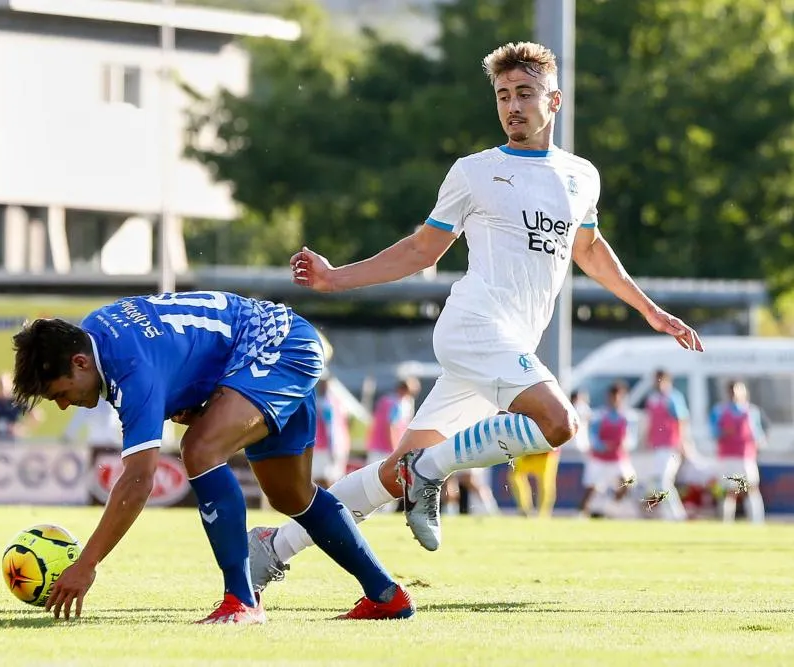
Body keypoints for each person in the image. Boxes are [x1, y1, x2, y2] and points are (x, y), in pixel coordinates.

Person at [247, 40, 702, 588]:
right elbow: (422, 250)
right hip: (473, 327)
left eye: (525, 93)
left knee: (394, 475)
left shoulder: (582, 175)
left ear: (554, 100)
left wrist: (650, 310)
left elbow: (588, 248)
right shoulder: (475, 171)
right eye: (503, 95)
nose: (513, 106)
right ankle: (432, 469)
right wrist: (335, 277)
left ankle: (275, 545)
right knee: (559, 423)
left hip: (507, 347)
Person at [10, 291, 414, 624]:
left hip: (276, 347)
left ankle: (242, 600)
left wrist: (86, 563)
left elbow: (138, 480)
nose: (63, 405)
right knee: (290, 494)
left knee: (199, 449)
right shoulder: (96, 330)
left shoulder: (130, 368)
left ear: (80, 362)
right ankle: (386, 596)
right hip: (275, 342)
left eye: (60, 393)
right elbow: (179, 348)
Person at [639, 369, 697, 520]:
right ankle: (672, 515)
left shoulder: (673, 398)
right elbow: (650, 421)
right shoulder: (652, 399)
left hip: (671, 445)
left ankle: (677, 515)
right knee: (660, 482)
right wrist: (647, 439)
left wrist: (683, 442)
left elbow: (681, 420)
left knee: (664, 481)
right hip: (657, 446)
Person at [709, 380, 766, 523]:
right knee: (728, 490)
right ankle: (726, 522)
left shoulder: (751, 411)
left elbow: (758, 434)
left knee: (750, 488)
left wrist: (758, 442)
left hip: (745, 456)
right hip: (727, 456)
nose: (734, 394)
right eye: (732, 391)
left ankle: (757, 522)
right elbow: (713, 432)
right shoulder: (719, 410)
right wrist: (724, 432)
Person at [579, 382, 637, 518]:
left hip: (618, 458)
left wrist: (625, 444)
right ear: (609, 397)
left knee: (628, 482)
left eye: (619, 396)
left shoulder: (628, 416)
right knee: (591, 488)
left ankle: (611, 507)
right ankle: (581, 514)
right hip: (599, 458)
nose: (616, 399)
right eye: (613, 396)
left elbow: (632, 439)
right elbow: (592, 436)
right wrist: (602, 446)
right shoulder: (600, 415)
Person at [312, 377, 351, 489]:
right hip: (337, 445)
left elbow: (331, 428)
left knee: (325, 479)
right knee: (331, 479)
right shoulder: (337, 402)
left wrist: (332, 448)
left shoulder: (326, 404)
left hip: (327, 447)